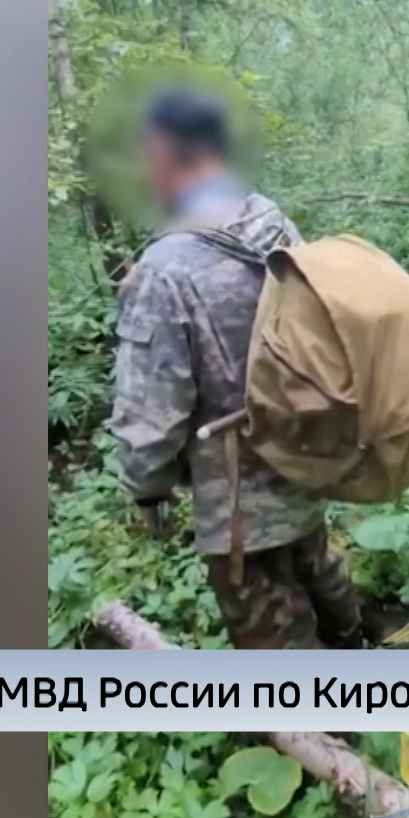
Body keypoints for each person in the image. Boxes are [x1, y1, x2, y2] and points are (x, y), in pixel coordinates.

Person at [107, 89, 364, 649]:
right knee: (319, 570)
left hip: (237, 506)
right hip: (304, 455)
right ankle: (359, 648)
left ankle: (332, 695)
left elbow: (152, 413)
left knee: (275, 640)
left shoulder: (165, 269)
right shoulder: (273, 223)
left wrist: (147, 490)